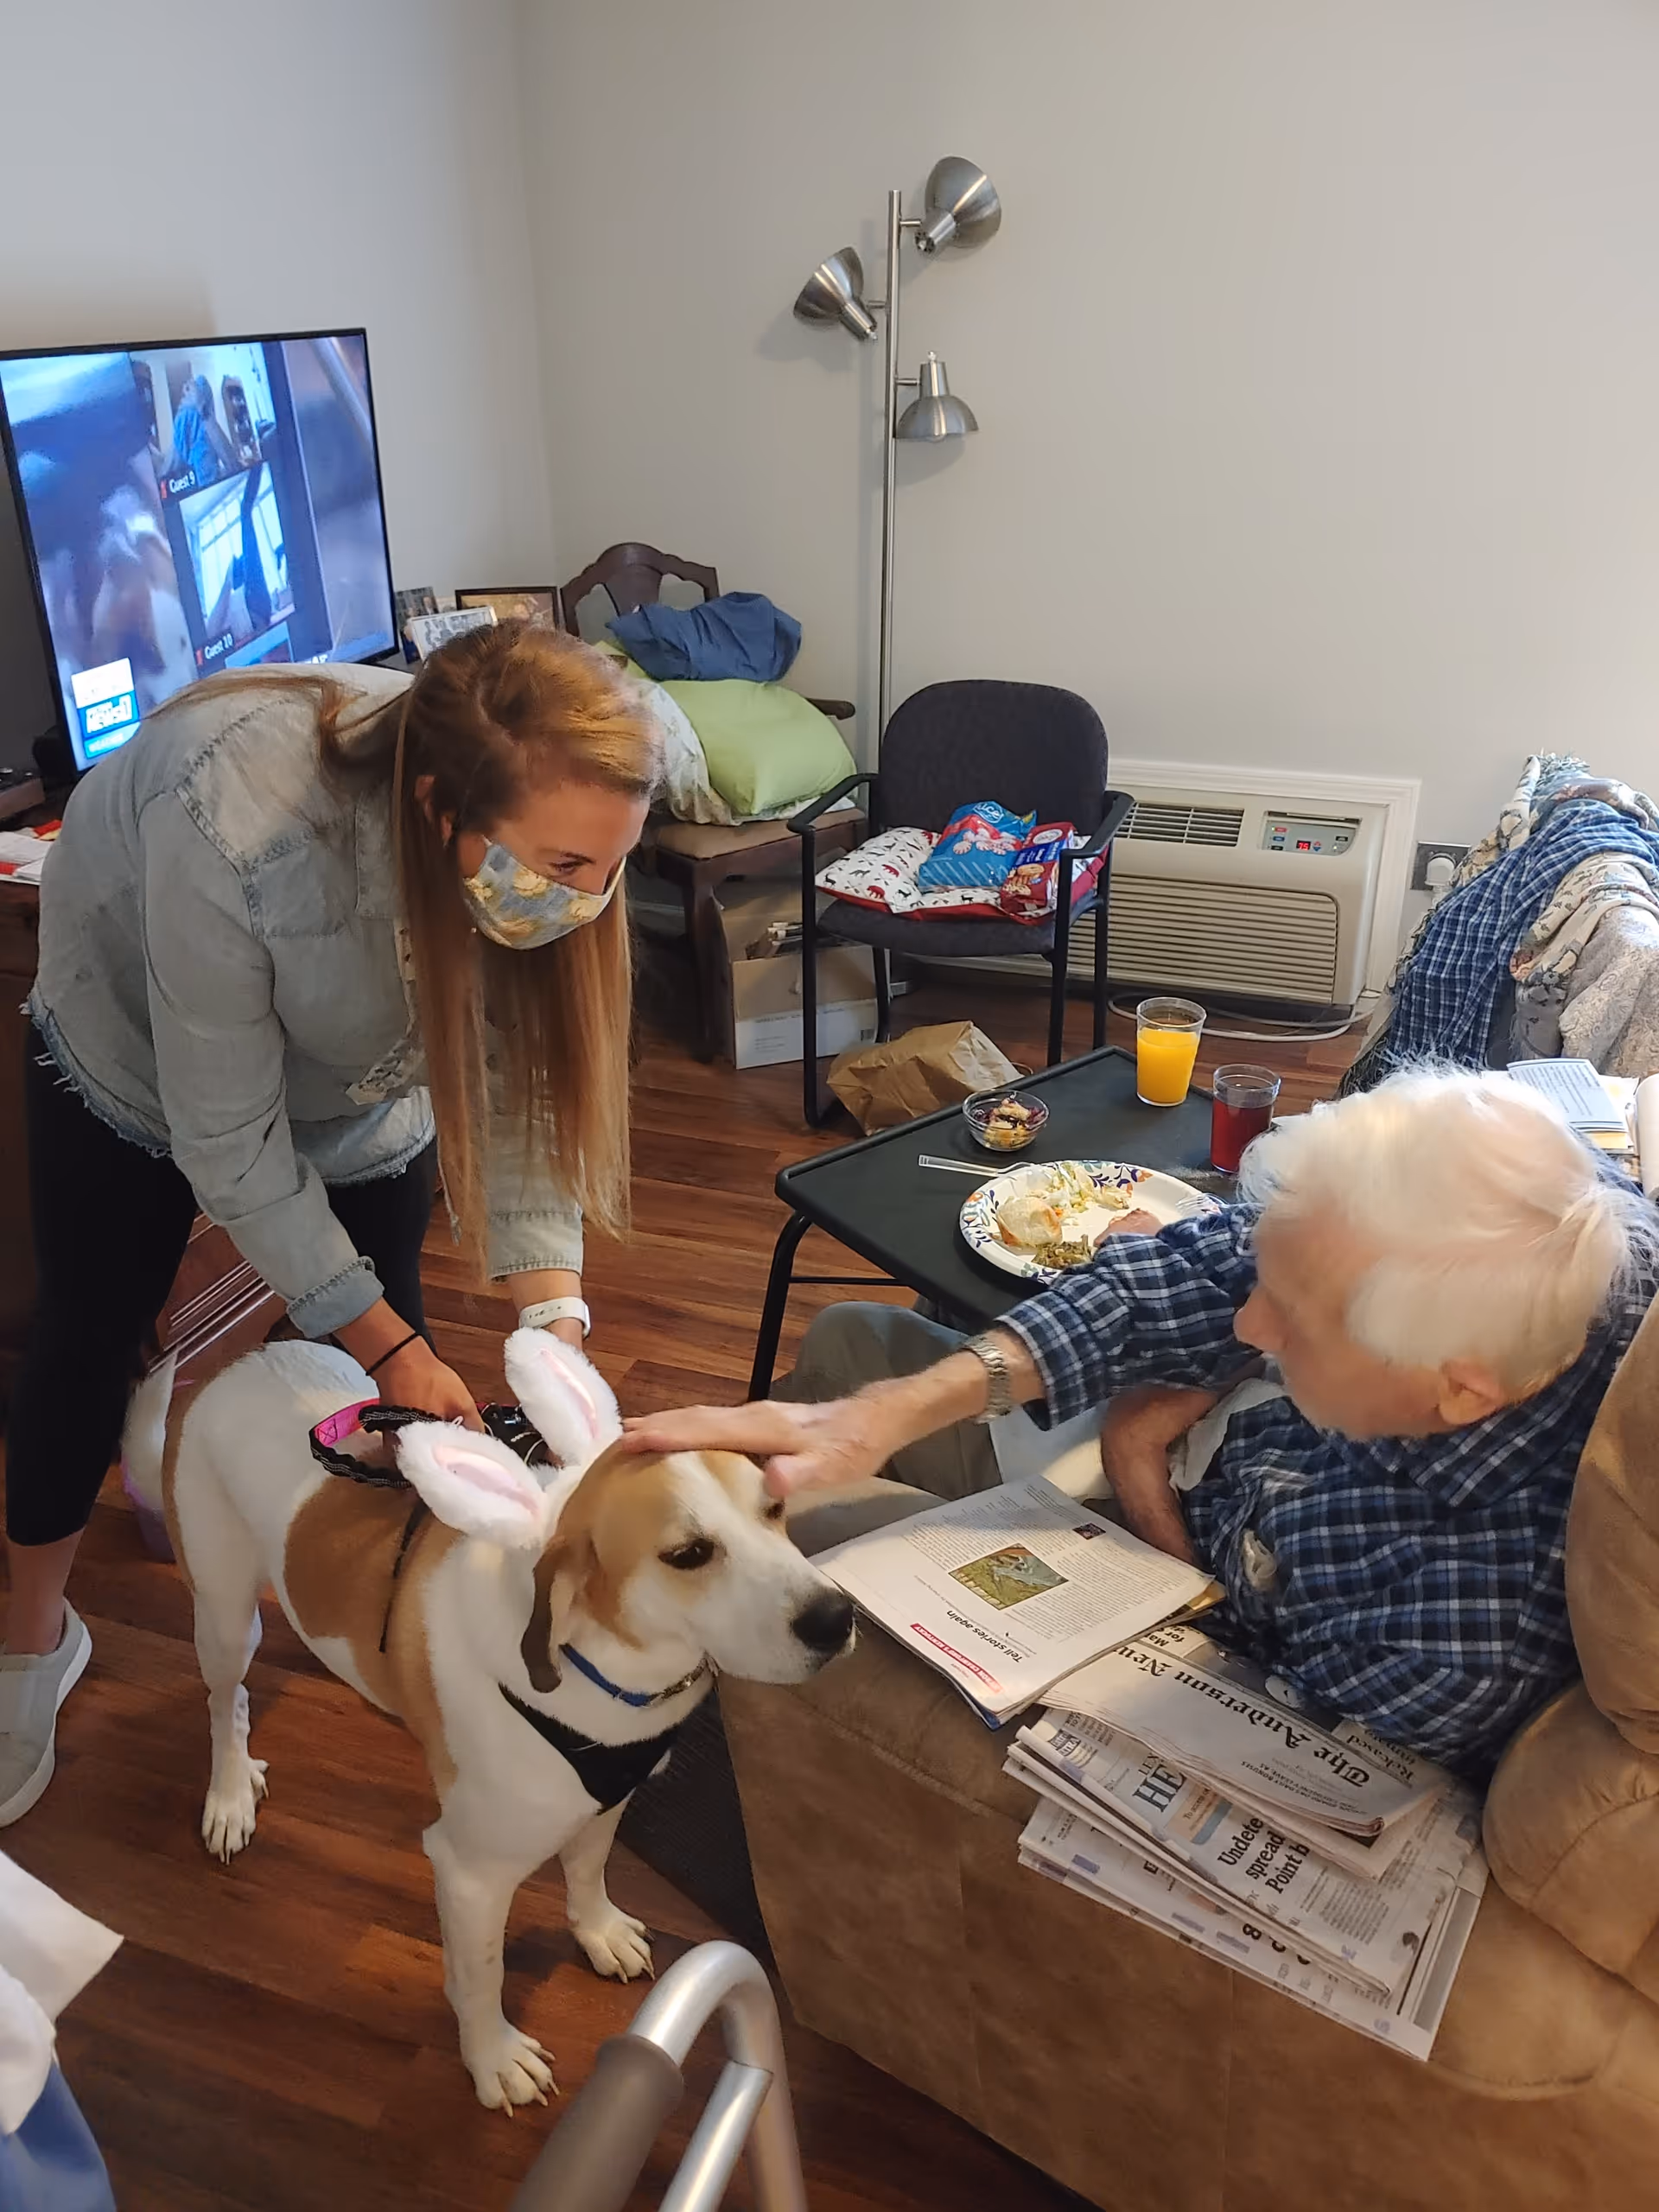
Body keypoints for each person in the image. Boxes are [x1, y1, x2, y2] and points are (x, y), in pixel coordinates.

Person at [1, 622, 663, 1824]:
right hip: (139, 1065)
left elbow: (518, 1096)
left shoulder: (537, 852)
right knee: (86, 1342)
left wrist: (551, 1326)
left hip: (360, 1084)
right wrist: (395, 1352)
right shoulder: (233, 818)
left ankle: (375, 1593)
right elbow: (230, 1141)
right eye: (562, 865)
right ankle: (31, 1641)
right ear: (431, 806)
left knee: (384, 1341)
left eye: (605, 869)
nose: (585, 900)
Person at [626, 1070, 1658, 1779]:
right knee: (870, 1356)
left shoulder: (1458, 1630)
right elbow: (1208, 1271)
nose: (1248, 1324)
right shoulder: (1562, 1230)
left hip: (1155, 1535)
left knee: (850, 1355)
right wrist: (878, 1422)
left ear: (1460, 1392)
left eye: (1290, 1323)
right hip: (1209, 1449)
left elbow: (1245, 1699)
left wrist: (1138, 1465)